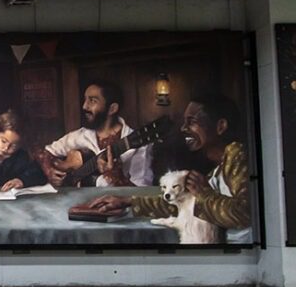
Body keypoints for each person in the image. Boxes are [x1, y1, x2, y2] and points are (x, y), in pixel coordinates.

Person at [89, 94, 251, 243]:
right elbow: (179, 202)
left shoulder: (236, 154)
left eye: (192, 122)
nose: (183, 128)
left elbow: (245, 213)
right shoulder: (219, 169)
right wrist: (127, 202)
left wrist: (204, 194)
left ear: (221, 126)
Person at [41, 81, 153, 187]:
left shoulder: (139, 145)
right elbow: (45, 152)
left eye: (93, 101)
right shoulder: (80, 135)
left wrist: (118, 178)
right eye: (85, 100)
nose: (85, 106)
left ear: (112, 109)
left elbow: (141, 191)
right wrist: (49, 170)